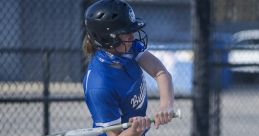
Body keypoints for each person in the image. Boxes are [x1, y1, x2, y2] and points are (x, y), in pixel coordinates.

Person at [82, 0, 174, 136]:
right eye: (125, 32)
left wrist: (165, 105)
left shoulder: (128, 50)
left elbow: (160, 72)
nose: (132, 35)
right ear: (108, 38)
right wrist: (135, 130)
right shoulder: (99, 86)